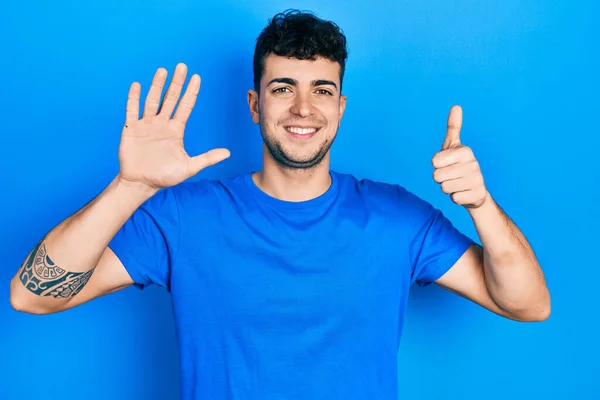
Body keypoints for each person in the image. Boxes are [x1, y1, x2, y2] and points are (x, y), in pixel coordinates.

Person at [10, 9, 550, 400]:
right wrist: (130, 187)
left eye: (321, 90)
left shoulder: (397, 218)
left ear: (340, 107)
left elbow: (528, 304)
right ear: (253, 103)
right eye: (282, 86)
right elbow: (33, 296)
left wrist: (480, 205)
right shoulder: (181, 217)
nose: (302, 107)